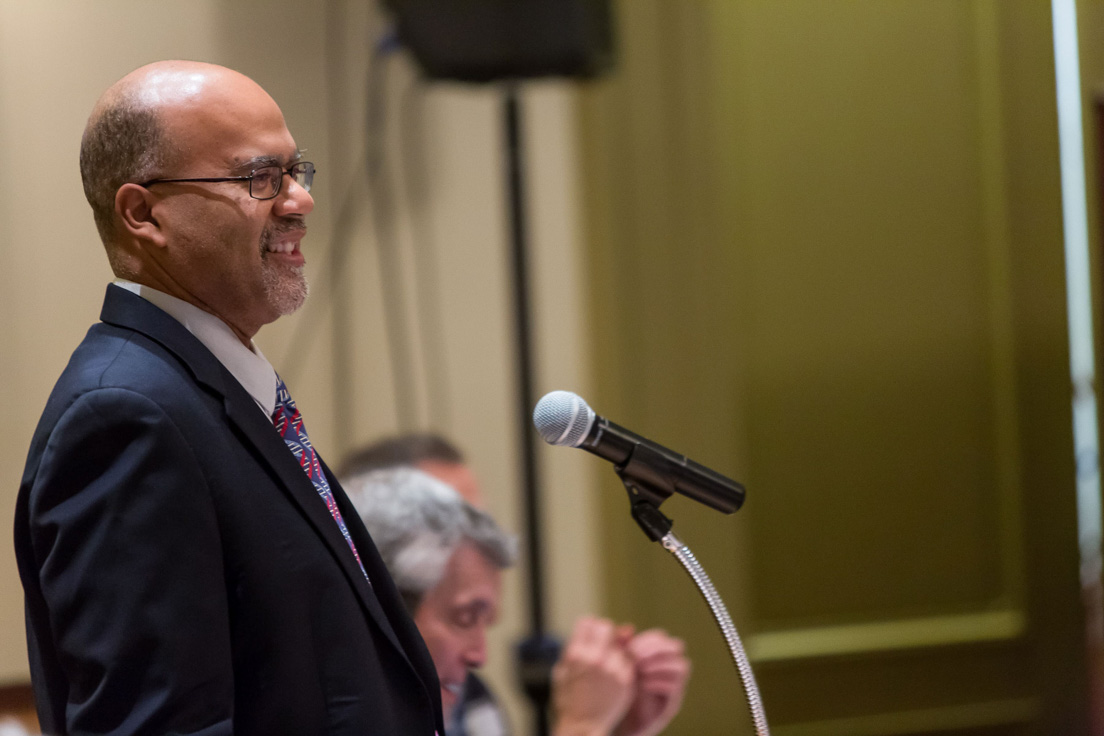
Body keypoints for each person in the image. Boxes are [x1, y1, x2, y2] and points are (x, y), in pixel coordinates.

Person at [14, 61, 443, 736]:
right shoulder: (126, 420)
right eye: (259, 178)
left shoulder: (205, 394)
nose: (299, 201)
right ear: (143, 213)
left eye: (295, 170)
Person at [340, 441, 690, 736]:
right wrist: (583, 726)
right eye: (464, 618)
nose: (480, 655)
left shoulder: (471, 703)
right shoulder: (323, 708)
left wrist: (617, 728)